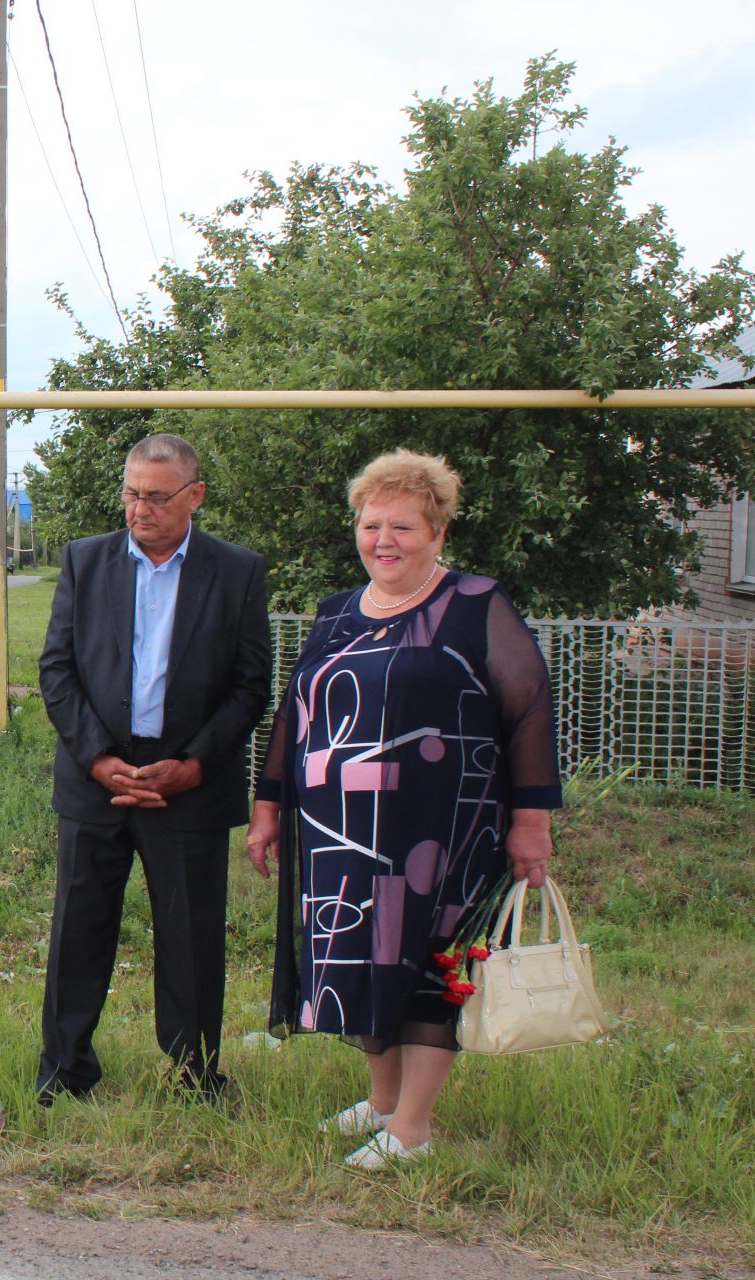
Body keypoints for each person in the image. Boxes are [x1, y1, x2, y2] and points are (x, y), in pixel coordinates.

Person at [244, 450, 559, 1169]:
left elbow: (530, 707)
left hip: (443, 830)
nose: (383, 540)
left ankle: (412, 1128)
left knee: (423, 962)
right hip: (340, 833)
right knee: (360, 957)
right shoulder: (334, 614)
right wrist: (267, 806)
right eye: (370, 524)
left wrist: (532, 821)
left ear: (438, 532)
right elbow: (295, 718)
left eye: (402, 528)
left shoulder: (476, 605)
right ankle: (381, 1103)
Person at [37, 433, 271, 1104]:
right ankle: (64, 1071)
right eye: (132, 493)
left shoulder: (236, 572)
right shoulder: (87, 562)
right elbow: (57, 670)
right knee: (79, 931)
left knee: (191, 936)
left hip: (187, 784)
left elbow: (252, 685)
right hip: (98, 781)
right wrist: (99, 759)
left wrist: (195, 765)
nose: (140, 509)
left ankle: (195, 1076)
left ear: (194, 496)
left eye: (157, 496)